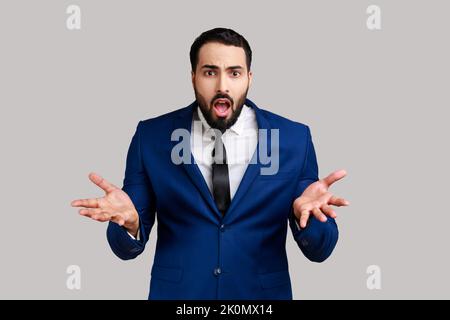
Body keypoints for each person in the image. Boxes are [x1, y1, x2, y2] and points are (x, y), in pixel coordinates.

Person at [71, 27, 350, 299]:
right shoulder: (151, 136)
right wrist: (130, 224)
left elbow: (320, 250)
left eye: (234, 73)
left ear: (249, 78)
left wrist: (310, 219)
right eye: (209, 72)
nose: (222, 86)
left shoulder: (293, 139)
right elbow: (126, 247)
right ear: (193, 77)